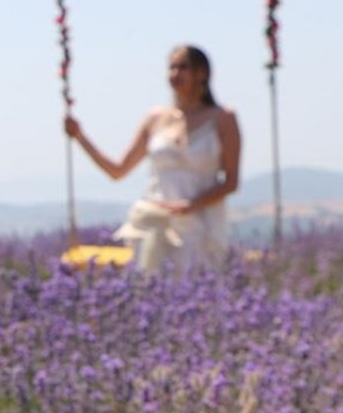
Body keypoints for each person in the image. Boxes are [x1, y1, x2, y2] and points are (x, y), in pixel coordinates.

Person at [64, 45, 242, 271]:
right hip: (153, 222)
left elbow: (231, 181)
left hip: (200, 225)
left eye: (183, 67)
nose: (175, 74)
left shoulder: (224, 119)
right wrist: (79, 136)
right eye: (172, 67)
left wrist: (191, 205)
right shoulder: (155, 118)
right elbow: (117, 170)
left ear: (202, 73)